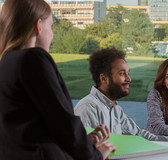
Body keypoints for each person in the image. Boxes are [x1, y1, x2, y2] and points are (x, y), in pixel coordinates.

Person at [0, 0, 115, 159]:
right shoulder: (33, 58)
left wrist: (85, 143)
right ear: (38, 26)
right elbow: (63, 122)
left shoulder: (6, 61)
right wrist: (95, 155)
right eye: (51, 27)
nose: (52, 35)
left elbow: (34, 127)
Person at [74, 47, 168, 143]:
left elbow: (141, 135)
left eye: (128, 73)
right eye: (122, 74)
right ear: (104, 79)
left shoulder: (115, 109)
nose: (129, 79)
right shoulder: (88, 107)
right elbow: (80, 151)